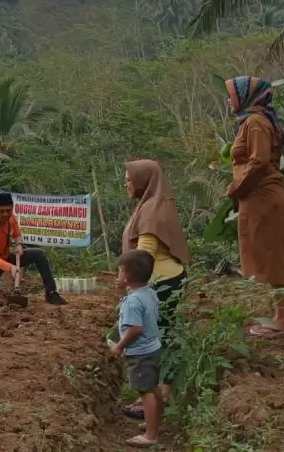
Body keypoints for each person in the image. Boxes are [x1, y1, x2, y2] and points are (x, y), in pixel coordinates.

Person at [225, 76, 284, 337]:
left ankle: (283, 319)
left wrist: (236, 189)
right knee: (273, 253)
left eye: (232, 95)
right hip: (261, 197)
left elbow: (258, 162)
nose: (229, 100)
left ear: (245, 97)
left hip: (262, 196)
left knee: (271, 256)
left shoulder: (255, 122)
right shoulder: (256, 120)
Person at [121, 159, 191, 420]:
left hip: (160, 282)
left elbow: (144, 255)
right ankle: (159, 394)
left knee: (151, 341)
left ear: (142, 180)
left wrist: (127, 282)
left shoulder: (151, 209)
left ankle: (154, 398)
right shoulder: (152, 203)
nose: (126, 183)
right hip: (165, 279)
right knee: (164, 335)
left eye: (129, 179)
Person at [0, 192, 67, 314]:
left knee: (38, 254)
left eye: (8, 210)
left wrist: (19, 244)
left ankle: (51, 293)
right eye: (1, 211)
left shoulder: (10, 218)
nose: (5, 214)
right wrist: (10, 268)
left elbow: (17, 234)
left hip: (6, 256)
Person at [111, 249, 165, 448]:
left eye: (120, 271)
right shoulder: (147, 292)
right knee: (153, 387)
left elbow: (135, 329)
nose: (118, 275)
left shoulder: (134, 301)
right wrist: (121, 294)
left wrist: (119, 346)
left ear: (127, 276)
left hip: (140, 352)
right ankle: (155, 423)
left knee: (145, 392)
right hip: (152, 348)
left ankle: (151, 435)